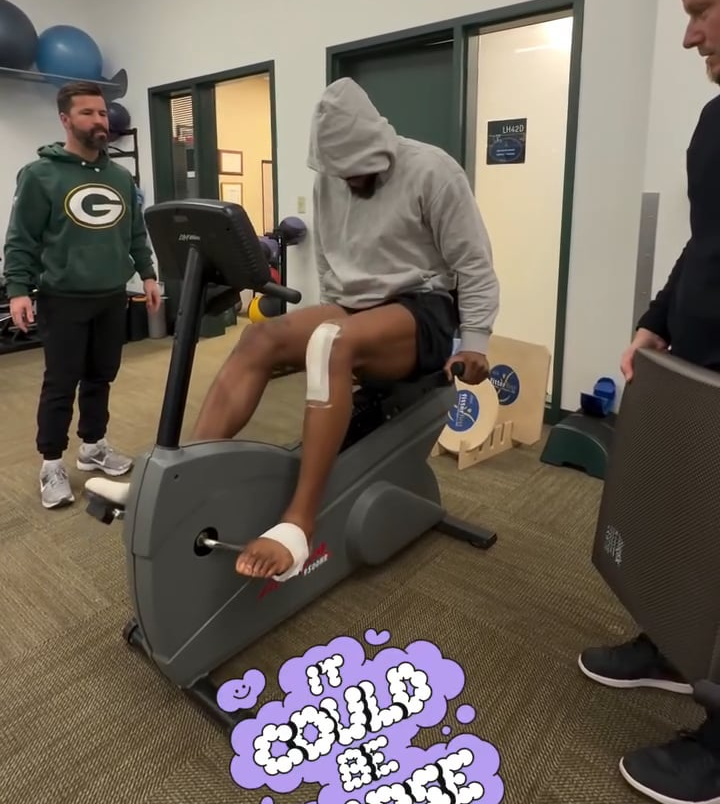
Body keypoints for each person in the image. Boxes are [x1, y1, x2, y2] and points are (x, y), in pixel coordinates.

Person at [170, 77, 498, 581]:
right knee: (260, 336)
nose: (350, 181)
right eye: (341, 172)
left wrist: (475, 341)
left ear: (379, 146)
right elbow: (329, 265)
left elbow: (474, 264)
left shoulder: (433, 171)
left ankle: (298, 524)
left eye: (358, 170)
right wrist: (323, 332)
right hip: (351, 308)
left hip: (423, 309)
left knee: (330, 343)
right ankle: (189, 474)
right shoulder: (329, 181)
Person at [579, 0, 720, 804]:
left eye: (702, 10)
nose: (689, 35)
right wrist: (657, 318)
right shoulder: (714, 121)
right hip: (698, 371)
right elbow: (707, 244)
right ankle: (674, 649)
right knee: (688, 529)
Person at [2, 81, 162, 510]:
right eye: (87, 113)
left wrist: (148, 275)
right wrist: (18, 289)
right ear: (65, 119)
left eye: (102, 113)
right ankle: (51, 463)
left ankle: (93, 446)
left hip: (110, 295)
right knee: (61, 382)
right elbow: (21, 238)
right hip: (63, 297)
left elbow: (135, 232)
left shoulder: (119, 177)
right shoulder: (40, 175)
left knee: (100, 376)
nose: (99, 120)